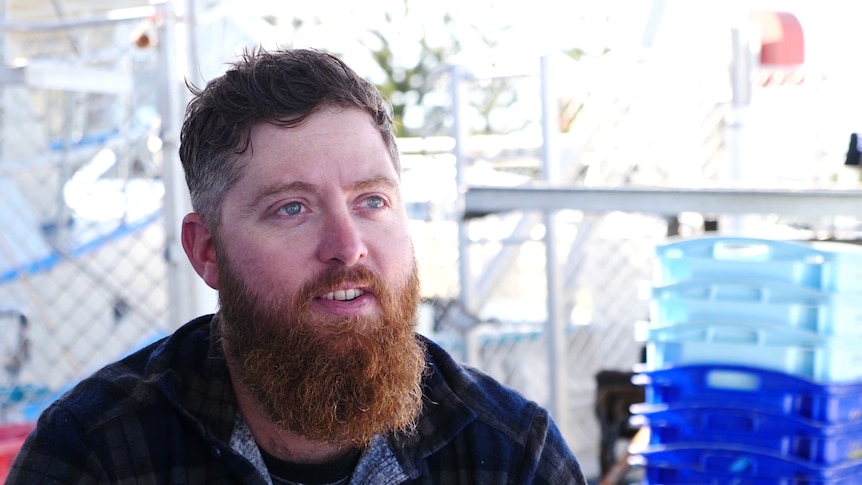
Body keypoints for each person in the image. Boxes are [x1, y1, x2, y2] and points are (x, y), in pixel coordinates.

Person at [8, 47, 587, 484]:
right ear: (206, 251)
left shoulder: (511, 455)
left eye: (372, 201)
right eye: (293, 208)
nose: (348, 245)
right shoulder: (97, 454)